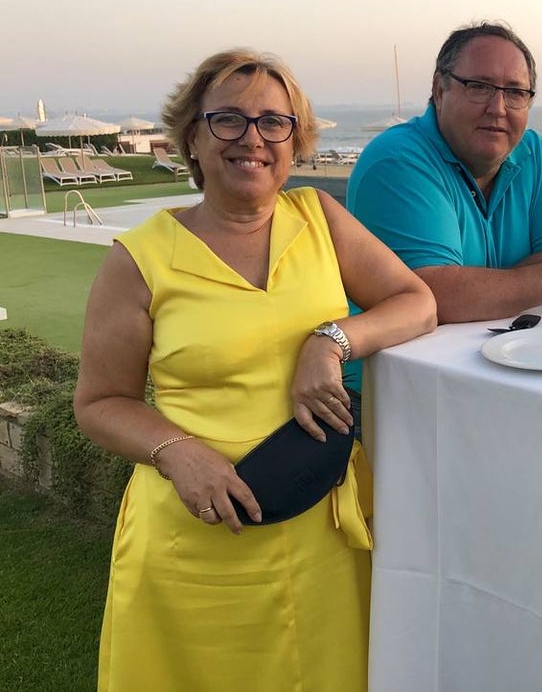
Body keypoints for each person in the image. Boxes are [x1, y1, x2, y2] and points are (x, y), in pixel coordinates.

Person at [73, 49, 437, 691]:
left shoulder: (320, 218)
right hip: (197, 541)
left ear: (295, 140)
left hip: (319, 531)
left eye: (274, 122)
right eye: (229, 119)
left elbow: (417, 302)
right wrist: (177, 451)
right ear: (192, 136)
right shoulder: (139, 259)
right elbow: (100, 402)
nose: (253, 138)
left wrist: (330, 341)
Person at [347, 21, 542, 324]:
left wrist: (481, 289)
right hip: (403, 355)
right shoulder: (398, 161)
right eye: (479, 87)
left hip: (515, 347)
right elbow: (433, 298)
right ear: (439, 91)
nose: (498, 108)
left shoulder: (534, 154)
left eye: (515, 92)